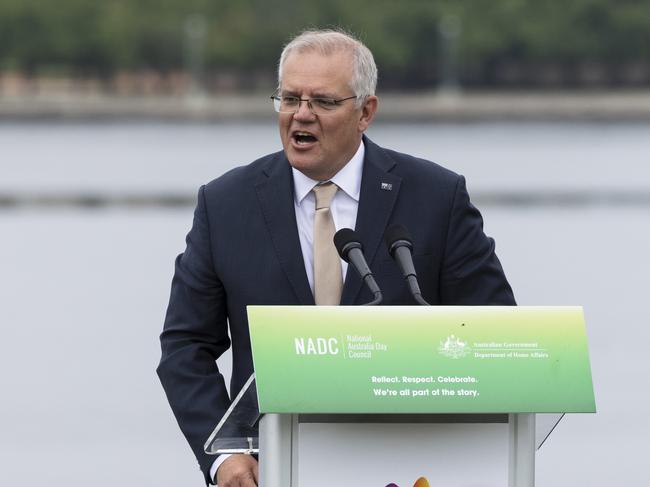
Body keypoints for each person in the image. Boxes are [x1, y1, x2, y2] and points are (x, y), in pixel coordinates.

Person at [157, 29, 515, 486]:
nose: (300, 115)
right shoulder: (225, 203)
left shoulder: (437, 197)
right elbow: (185, 347)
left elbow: (495, 328)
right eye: (289, 99)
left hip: (405, 467)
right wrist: (223, 456)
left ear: (365, 111)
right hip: (272, 469)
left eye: (322, 102)